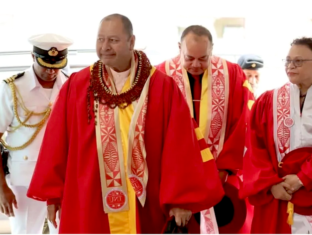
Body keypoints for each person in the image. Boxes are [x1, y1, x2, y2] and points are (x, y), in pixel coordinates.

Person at [26, 14, 224, 234]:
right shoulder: (78, 85)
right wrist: (53, 194)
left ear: (131, 42)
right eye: (100, 39)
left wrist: (180, 200)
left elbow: (181, 146)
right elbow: (56, 141)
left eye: (113, 40)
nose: (105, 47)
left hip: (145, 201)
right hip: (90, 198)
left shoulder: (161, 87)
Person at [156, 25, 254, 234]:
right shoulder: (160, 76)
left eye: (203, 58)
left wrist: (224, 170)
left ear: (212, 50)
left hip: (223, 179)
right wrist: (178, 188)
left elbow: (242, 123)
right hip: (175, 182)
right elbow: (155, 135)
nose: (196, 65)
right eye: (190, 58)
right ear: (178, 48)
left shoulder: (232, 73)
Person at [241, 37, 312, 234]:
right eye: (287, 61)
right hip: (279, 195)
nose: (290, 66)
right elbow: (254, 147)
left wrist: (303, 178)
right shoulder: (270, 100)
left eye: (298, 61)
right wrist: (270, 184)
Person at [0, 33, 73, 234]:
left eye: (57, 65)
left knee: (66, 230)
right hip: (25, 180)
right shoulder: (12, 87)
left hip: (62, 177)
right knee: (25, 231)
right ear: (33, 57)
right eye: (46, 64)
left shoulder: (70, 85)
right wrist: (1, 188)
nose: (51, 71)